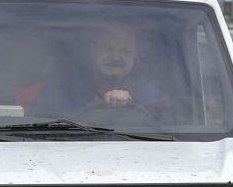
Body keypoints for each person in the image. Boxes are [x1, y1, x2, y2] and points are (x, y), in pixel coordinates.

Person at [24, 24, 165, 120]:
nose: (116, 57)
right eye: (109, 49)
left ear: (134, 57)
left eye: (124, 51)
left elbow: (164, 125)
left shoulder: (148, 93)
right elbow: (41, 127)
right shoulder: (61, 88)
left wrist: (131, 102)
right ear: (93, 52)